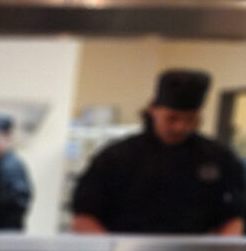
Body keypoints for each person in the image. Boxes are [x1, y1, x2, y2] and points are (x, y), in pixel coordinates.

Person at [71, 69, 245, 235]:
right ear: (152, 110)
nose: (181, 127)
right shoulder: (115, 157)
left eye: (191, 119)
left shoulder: (219, 158)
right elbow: (84, 216)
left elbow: (234, 217)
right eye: (172, 118)